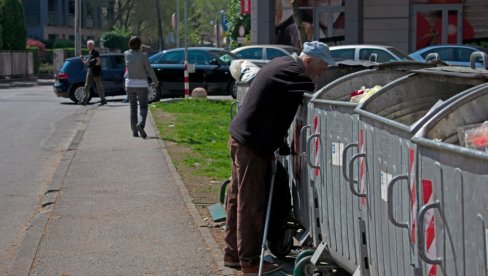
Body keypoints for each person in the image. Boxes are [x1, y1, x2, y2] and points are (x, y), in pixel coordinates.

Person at [224, 41, 335, 275]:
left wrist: (279, 146)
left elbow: (277, 109)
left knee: (237, 197)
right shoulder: (295, 74)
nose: (322, 71)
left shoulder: (282, 63)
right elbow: (321, 95)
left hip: (244, 138)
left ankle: (233, 254)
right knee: (250, 203)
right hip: (251, 144)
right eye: (322, 66)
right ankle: (250, 262)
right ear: (308, 61)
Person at [123, 36, 159, 139]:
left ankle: (134, 131)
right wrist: (155, 81)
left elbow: (132, 55)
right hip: (141, 84)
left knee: (132, 108)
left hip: (129, 84)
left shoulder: (126, 54)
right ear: (139, 45)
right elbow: (149, 69)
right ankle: (141, 124)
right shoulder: (143, 55)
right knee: (143, 106)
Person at [81, 39, 106, 106]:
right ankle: (84, 100)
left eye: (90, 45)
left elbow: (98, 62)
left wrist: (92, 62)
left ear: (93, 45)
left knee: (99, 86)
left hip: (96, 71)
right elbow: (86, 63)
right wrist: (83, 59)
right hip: (90, 70)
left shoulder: (96, 52)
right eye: (88, 45)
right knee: (86, 86)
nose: (89, 46)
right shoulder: (89, 53)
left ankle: (103, 100)